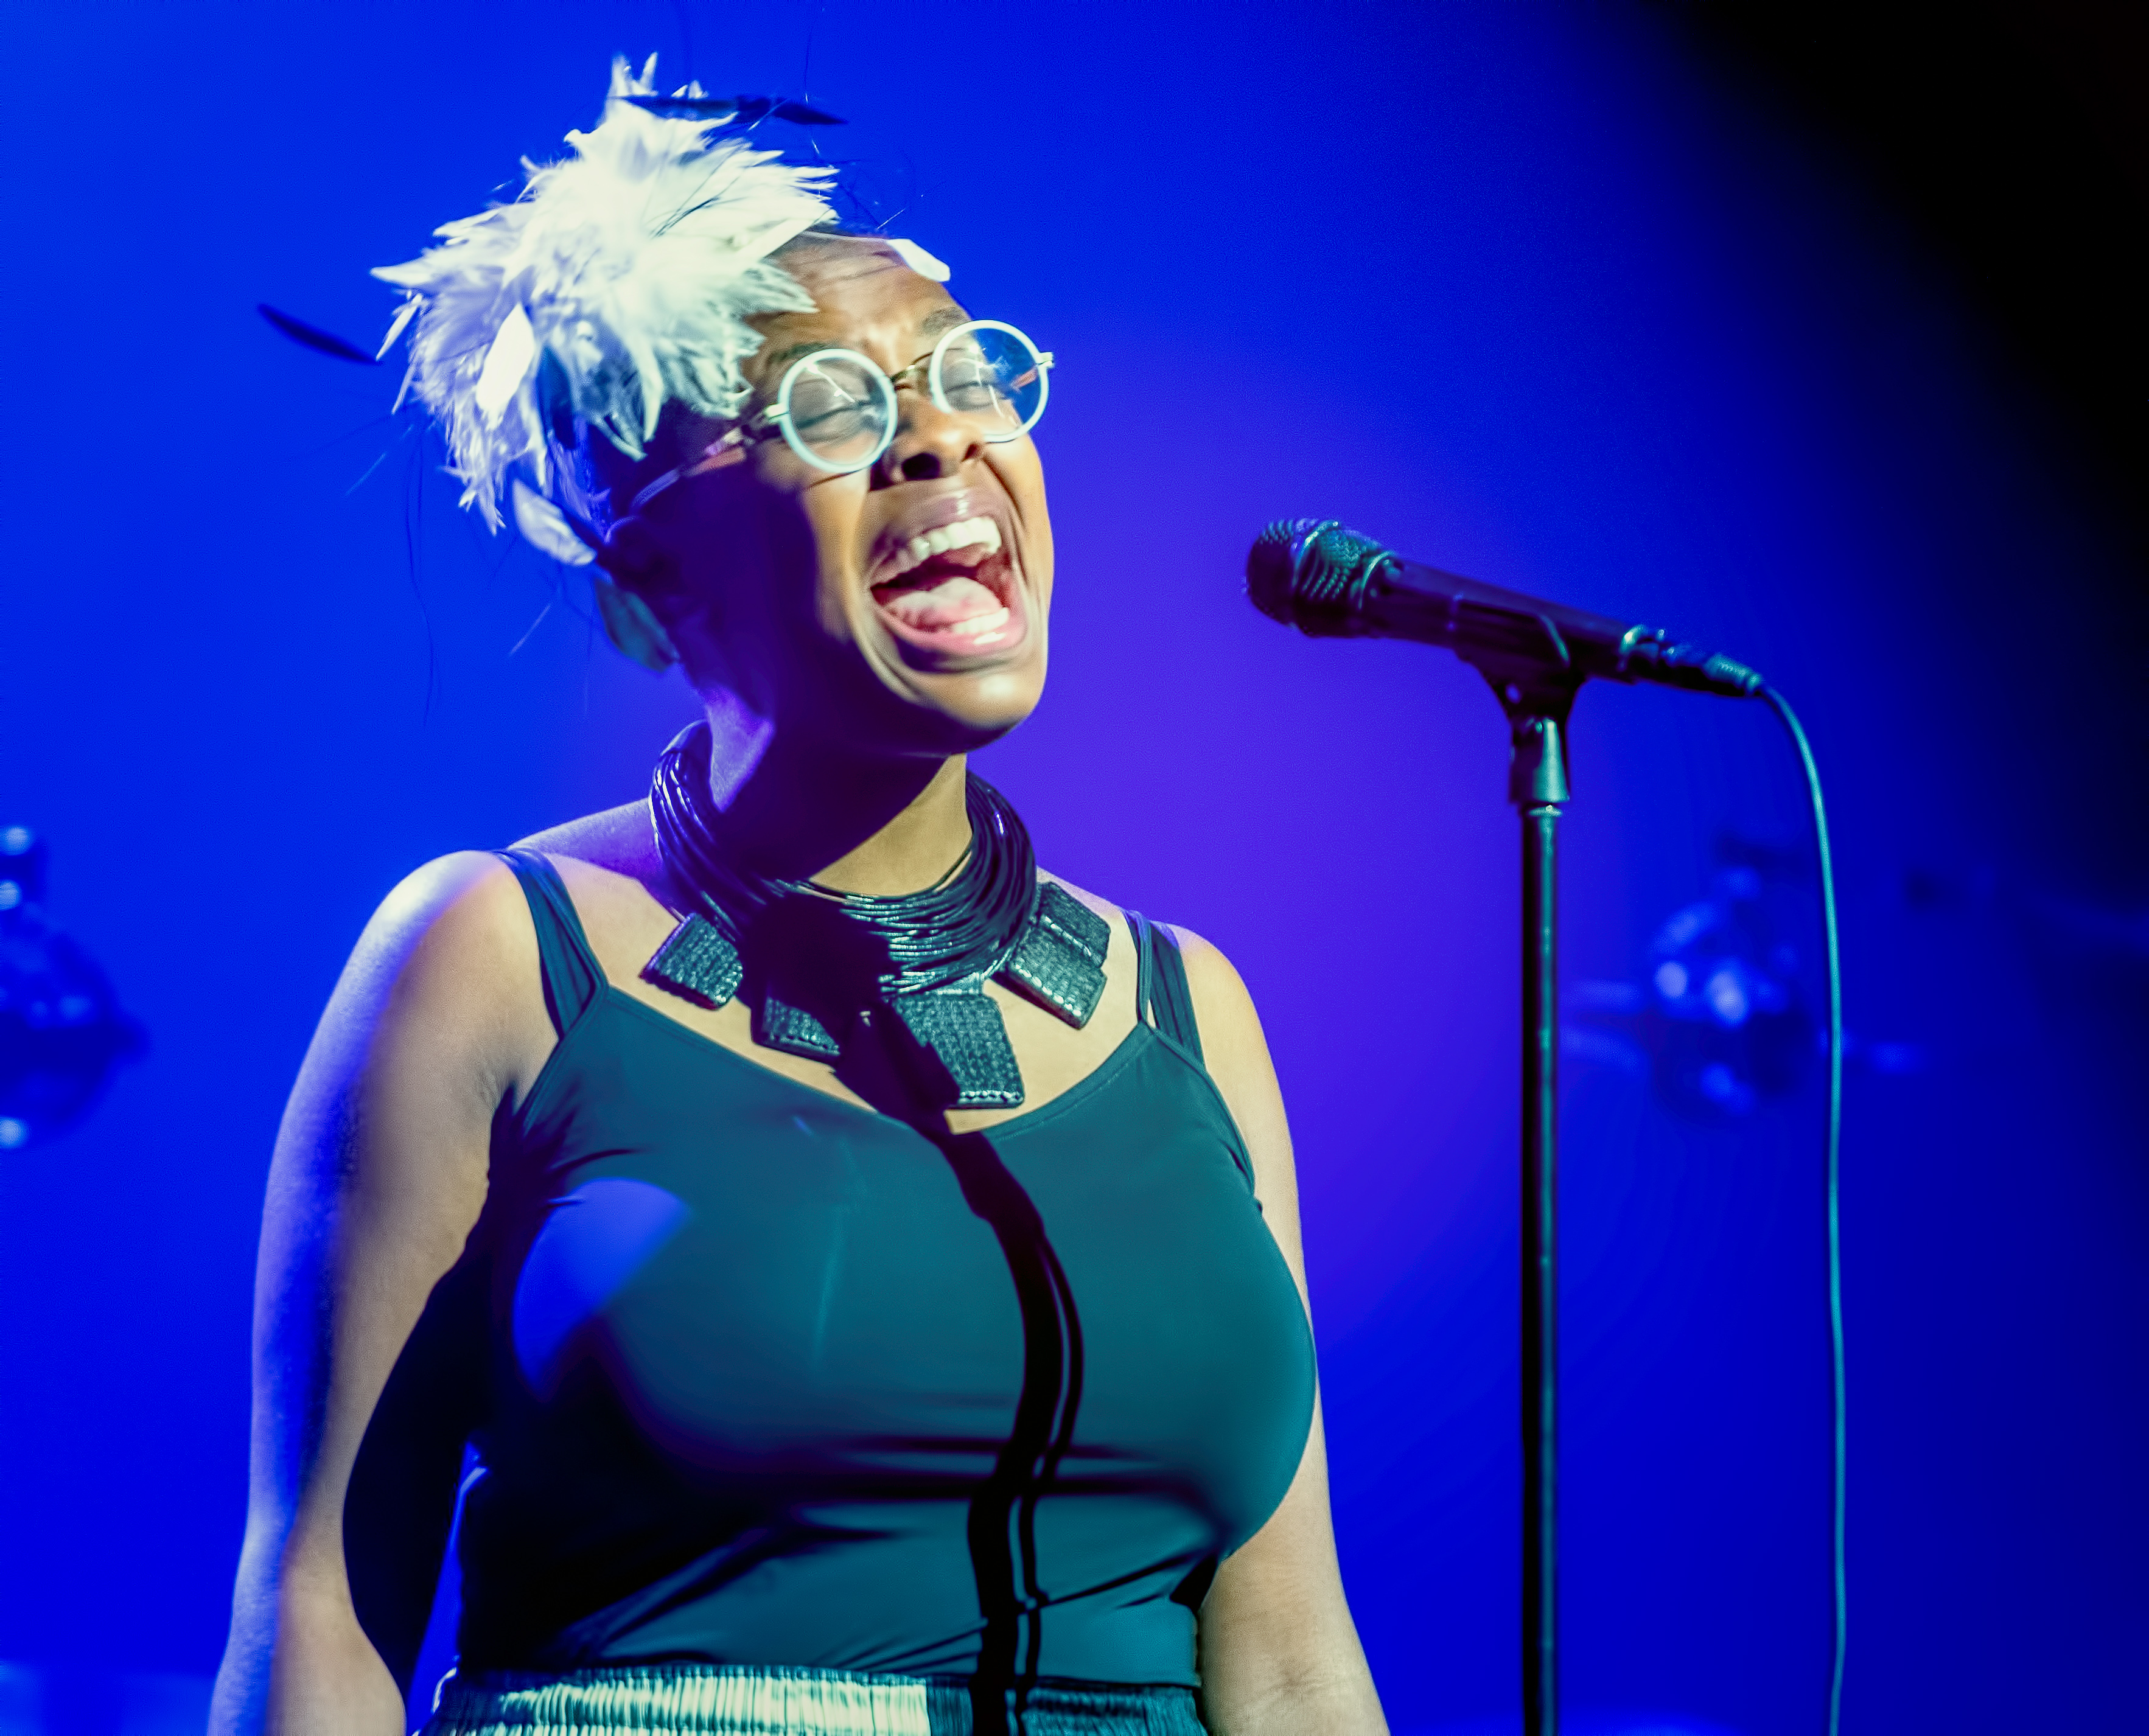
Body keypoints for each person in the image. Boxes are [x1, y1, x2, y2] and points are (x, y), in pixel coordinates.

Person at [209, 58, 1388, 1736]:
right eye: (827, 405)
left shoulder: (1188, 1009)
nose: (935, 436)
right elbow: (323, 1601)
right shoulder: (491, 960)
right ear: (650, 582)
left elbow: (1283, 1649)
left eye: (965, 370)